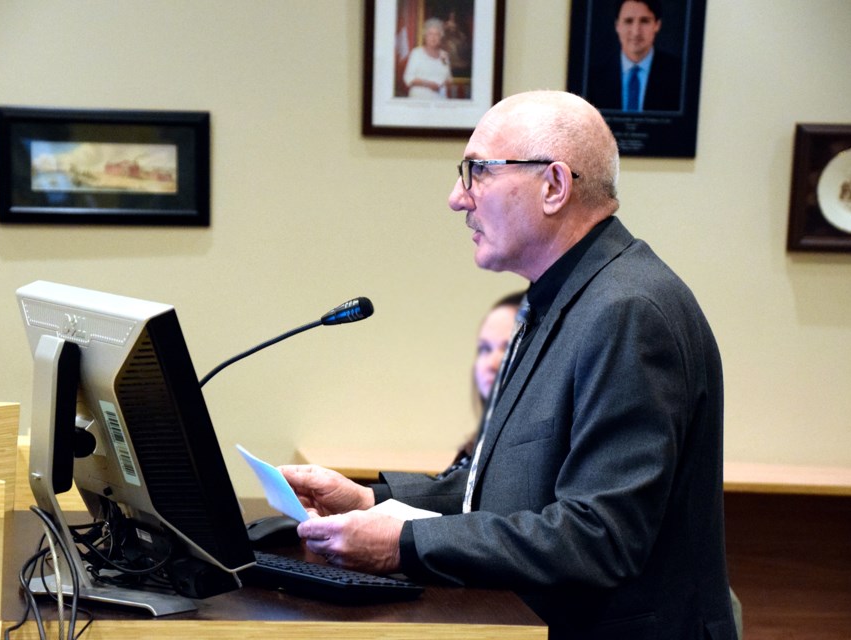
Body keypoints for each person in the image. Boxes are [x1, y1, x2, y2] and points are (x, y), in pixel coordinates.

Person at [281, 90, 737, 639]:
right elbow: (504, 490)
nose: (457, 197)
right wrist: (374, 502)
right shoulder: (564, 296)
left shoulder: (627, 312)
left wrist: (400, 546)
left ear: (554, 186)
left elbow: (599, 535)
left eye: (477, 172)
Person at [438, 291, 524, 478]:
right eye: (485, 349)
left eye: (507, 347)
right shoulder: (475, 447)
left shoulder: (524, 456)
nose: (490, 364)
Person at [586, 0, 683, 112]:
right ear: (617, 26)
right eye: (628, 21)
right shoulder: (594, 78)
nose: (636, 31)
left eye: (644, 21)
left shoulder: (679, 75)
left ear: (657, 25)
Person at [402, 17, 452, 99]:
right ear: (425, 36)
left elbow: (449, 78)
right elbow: (408, 78)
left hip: (440, 100)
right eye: (430, 34)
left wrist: (445, 83)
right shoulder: (416, 53)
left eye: (437, 34)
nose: (433, 38)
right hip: (419, 99)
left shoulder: (444, 55)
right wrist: (428, 84)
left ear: (441, 37)